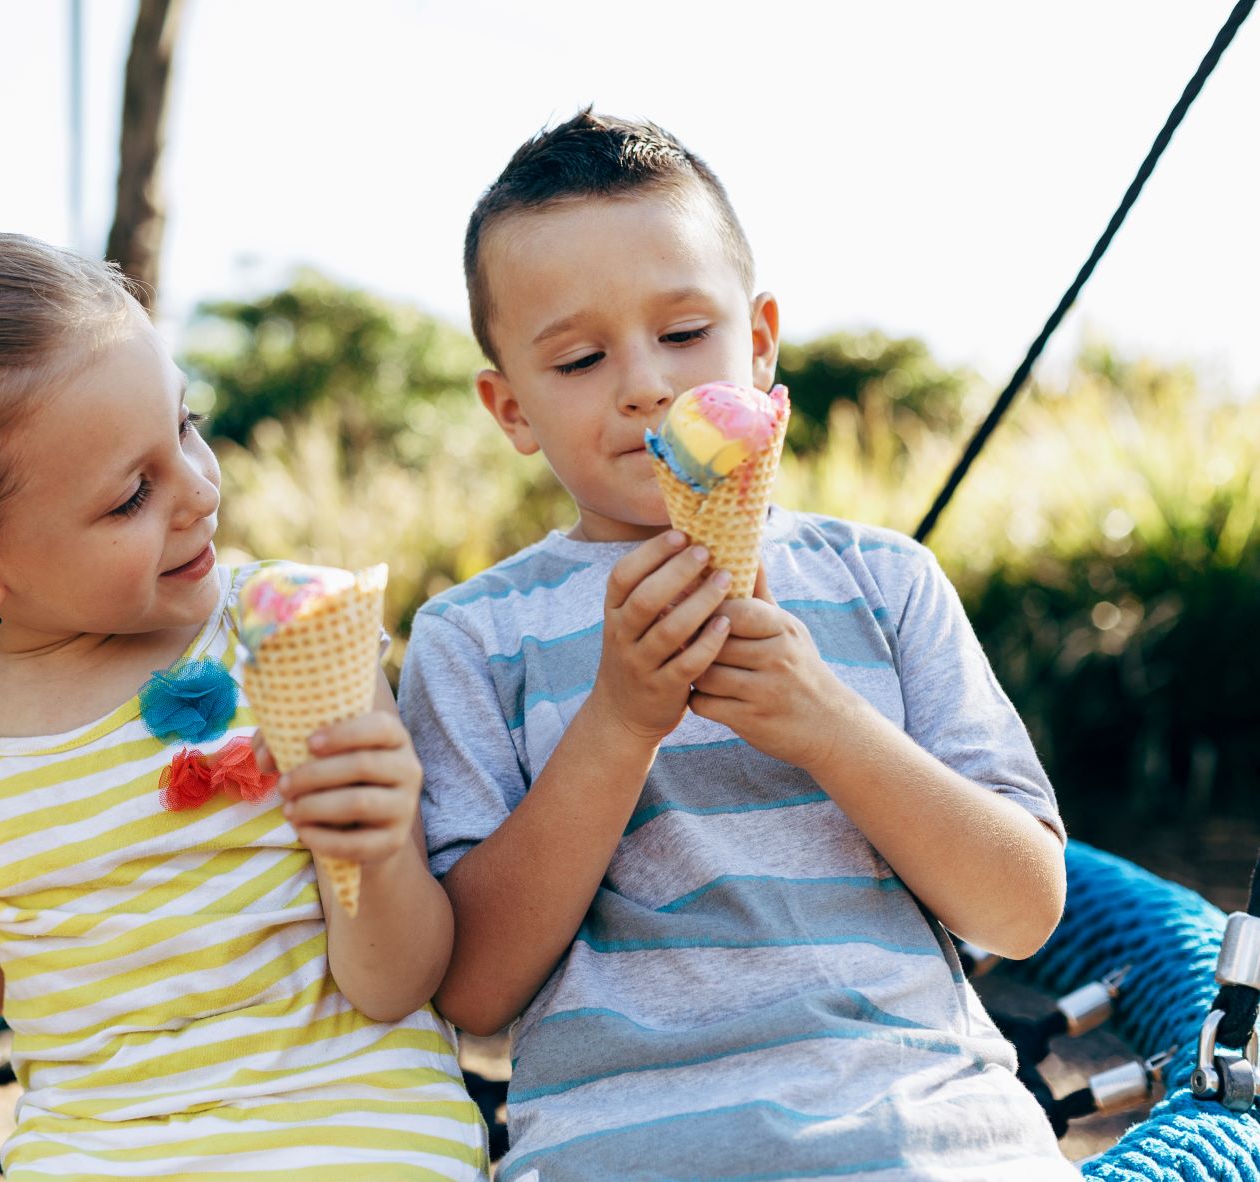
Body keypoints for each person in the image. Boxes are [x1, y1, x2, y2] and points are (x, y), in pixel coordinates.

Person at [401, 110, 1073, 1180]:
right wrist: (617, 724)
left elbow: (1024, 908)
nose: (644, 385)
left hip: (926, 1135)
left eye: (683, 335)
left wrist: (830, 724)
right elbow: (473, 993)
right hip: (623, 1154)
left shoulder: (882, 582)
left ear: (759, 343)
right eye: (578, 358)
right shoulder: (473, 638)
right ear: (509, 406)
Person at [0, 232, 486, 1179]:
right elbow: (9, 983)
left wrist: (377, 851)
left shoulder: (291, 635)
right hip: (92, 1150)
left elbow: (394, 984)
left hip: (346, 1125)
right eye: (133, 495)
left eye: (186, 425)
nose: (200, 491)